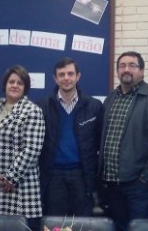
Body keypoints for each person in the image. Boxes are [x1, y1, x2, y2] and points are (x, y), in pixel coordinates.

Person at [99, 51, 148, 231]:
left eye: (132, 65)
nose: (126, 69)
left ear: (142, 71)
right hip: (112, 184)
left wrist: (145, 178)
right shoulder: (110, 99)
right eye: (122, 65)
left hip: (139, 186)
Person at [0, 65, 45, 231]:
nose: (15, 85)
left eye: (20, 83)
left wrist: (11, 177)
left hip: (19, 184)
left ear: (25, 88)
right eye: (11, 82)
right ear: (5, 84)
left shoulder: (32, 111)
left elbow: (32, 148)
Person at [37, 57, 102, 216]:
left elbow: (100, 143)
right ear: (55, 78)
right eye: (62, 74)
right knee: (54, 224)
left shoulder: (93, 106)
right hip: (53, 176)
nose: (66, 78)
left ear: (78, 76)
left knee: (82, 226)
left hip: (82, 175)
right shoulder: (42, 106)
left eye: (70, 74)